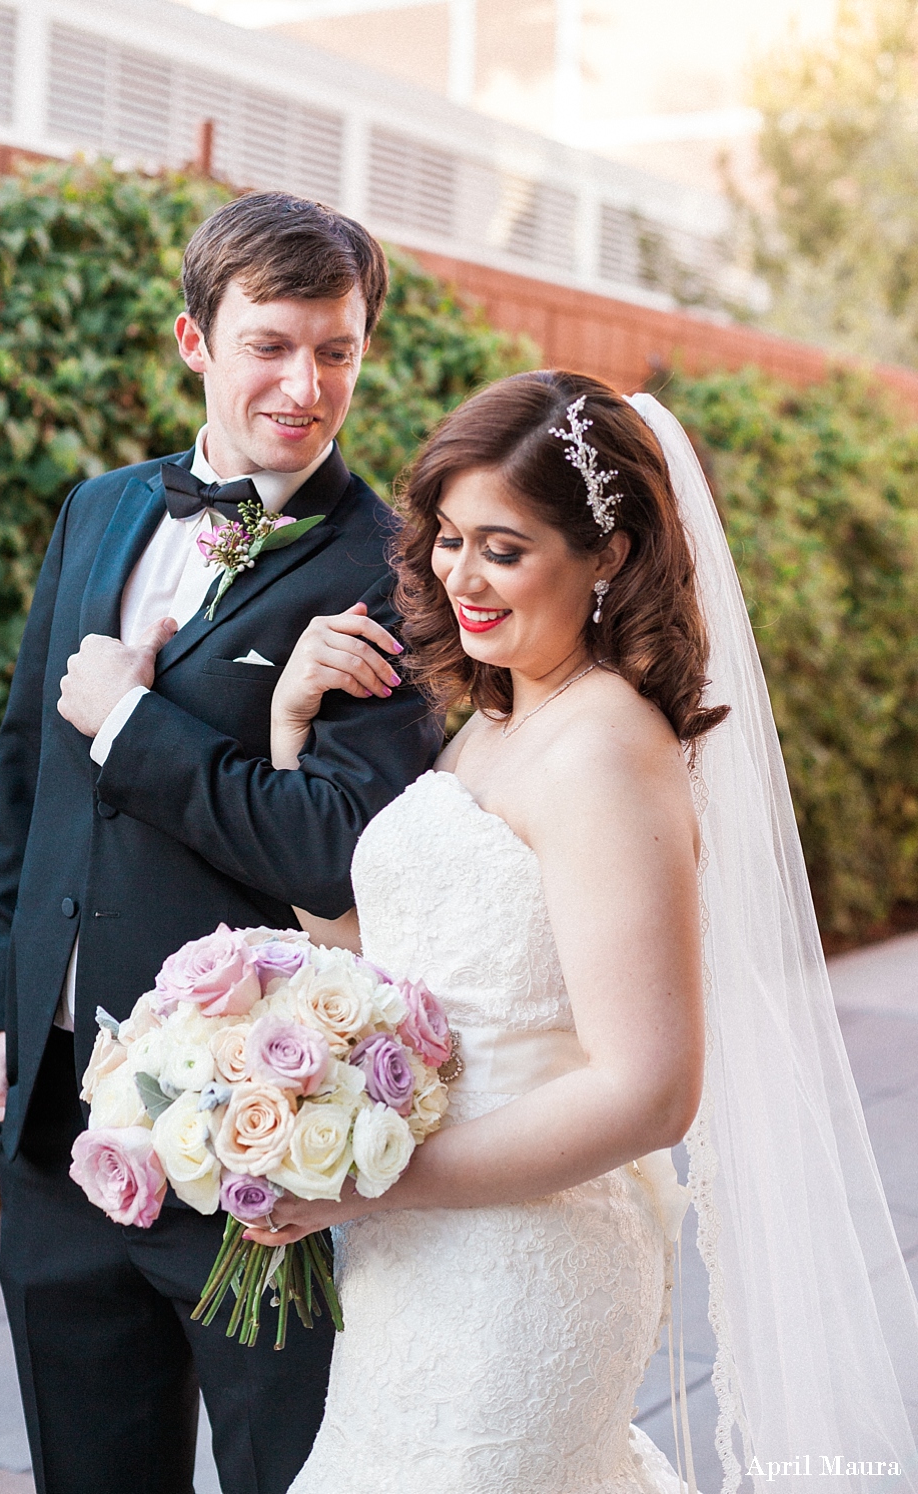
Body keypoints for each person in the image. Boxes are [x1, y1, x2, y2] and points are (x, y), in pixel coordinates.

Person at [251, 371, 918, 1494]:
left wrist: (370, 1185)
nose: (459, 574)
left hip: (516, 1274)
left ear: (605, 555)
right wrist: (286, 737)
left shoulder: (604, 749)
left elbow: (647, 1090)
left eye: (502, 549)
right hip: (414, 1261)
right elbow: (381, 965)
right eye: (449, 538)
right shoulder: (498, 719)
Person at [0, 191, 441, 1494]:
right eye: (271, 343)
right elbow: (27, 773)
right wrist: (4, 1005)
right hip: (60, 1117)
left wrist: (129, 720)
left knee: (281, 1470)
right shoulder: (99, 510)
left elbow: (332, 848)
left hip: (256, 1126)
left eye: (335, 349)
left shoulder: (390, 571)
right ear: (196, 339)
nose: (305, 385)